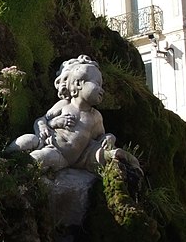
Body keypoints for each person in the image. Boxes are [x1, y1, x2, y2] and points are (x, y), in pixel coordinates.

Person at [8, 56, 140, 177]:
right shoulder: (63, 105)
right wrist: (49, 124)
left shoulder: (96, 117)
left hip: (65, 158)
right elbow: (41, 120)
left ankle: (20, 172)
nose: (102, 89)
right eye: (97, 84)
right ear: (78, 84)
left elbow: (100, 138)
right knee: (28, 142)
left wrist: (110, 137)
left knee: (43, 158)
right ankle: (6, 160)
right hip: (50, 144)